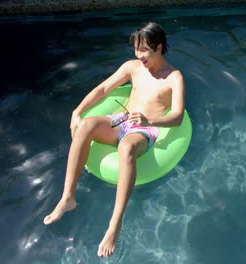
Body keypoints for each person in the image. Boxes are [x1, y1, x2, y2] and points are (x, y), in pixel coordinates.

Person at [43, 22, 185, 258]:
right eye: (136, 50)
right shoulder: (133, 67)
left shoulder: (174, 77)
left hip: (147, 128)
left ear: (158, 47)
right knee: (87, 125)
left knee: (127, 146)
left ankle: (114, 224)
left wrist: (150, 121)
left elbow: (178, 117)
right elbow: (103, 89)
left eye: (144, 51)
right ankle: (68, 197)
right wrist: (76, 112)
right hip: (123, 119)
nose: (139, 56)